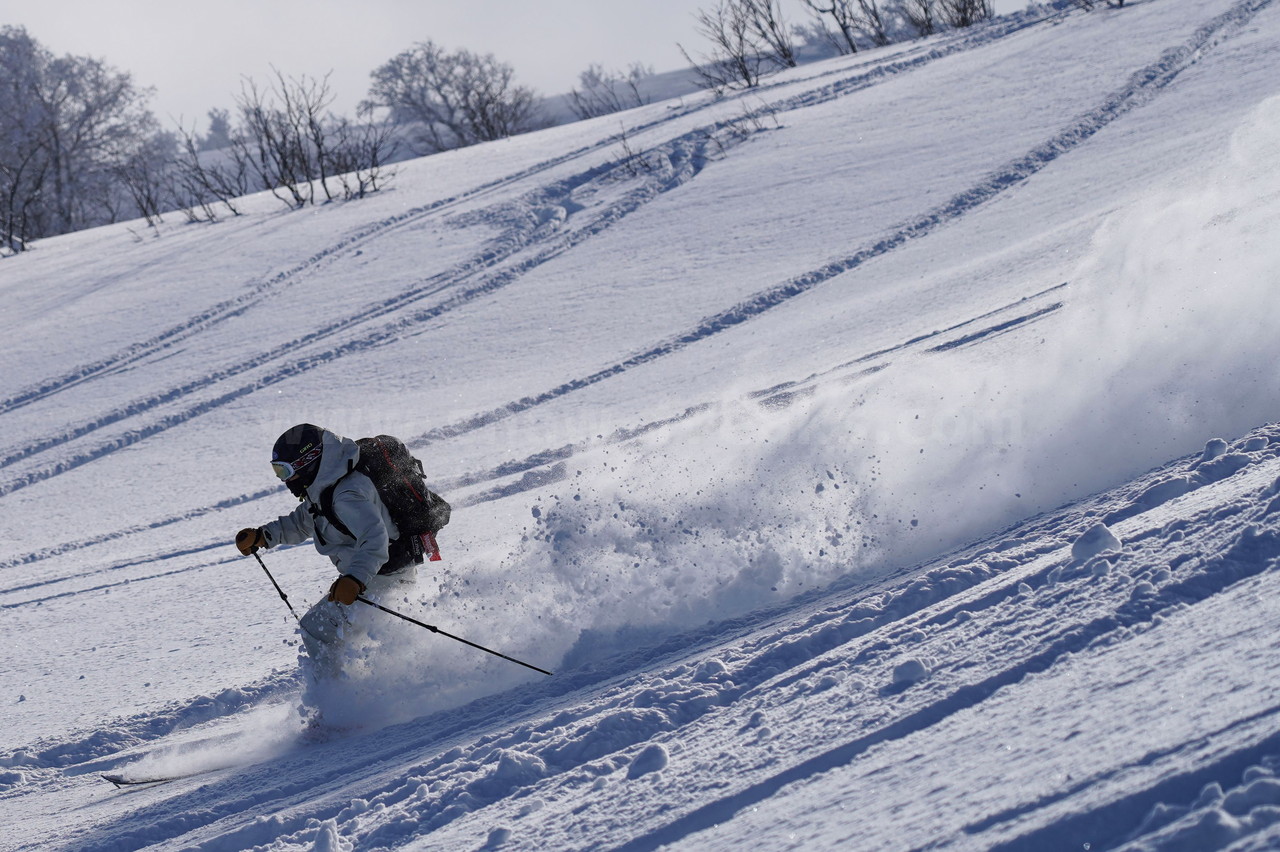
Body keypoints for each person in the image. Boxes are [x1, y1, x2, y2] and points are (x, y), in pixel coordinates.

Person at [235, 423, 415, 678]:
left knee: (316, 630)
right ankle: (365, 689)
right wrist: (264, 536)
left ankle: (341, 704)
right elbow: (304, 521)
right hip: (375, 576)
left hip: (383, 577)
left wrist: (355, 579)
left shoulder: (346, 494)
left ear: (307, 461)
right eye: (278, 471)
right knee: (333, 633)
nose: (284, 480)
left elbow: (375, 539)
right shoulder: (326, 488)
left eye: (285, 470)